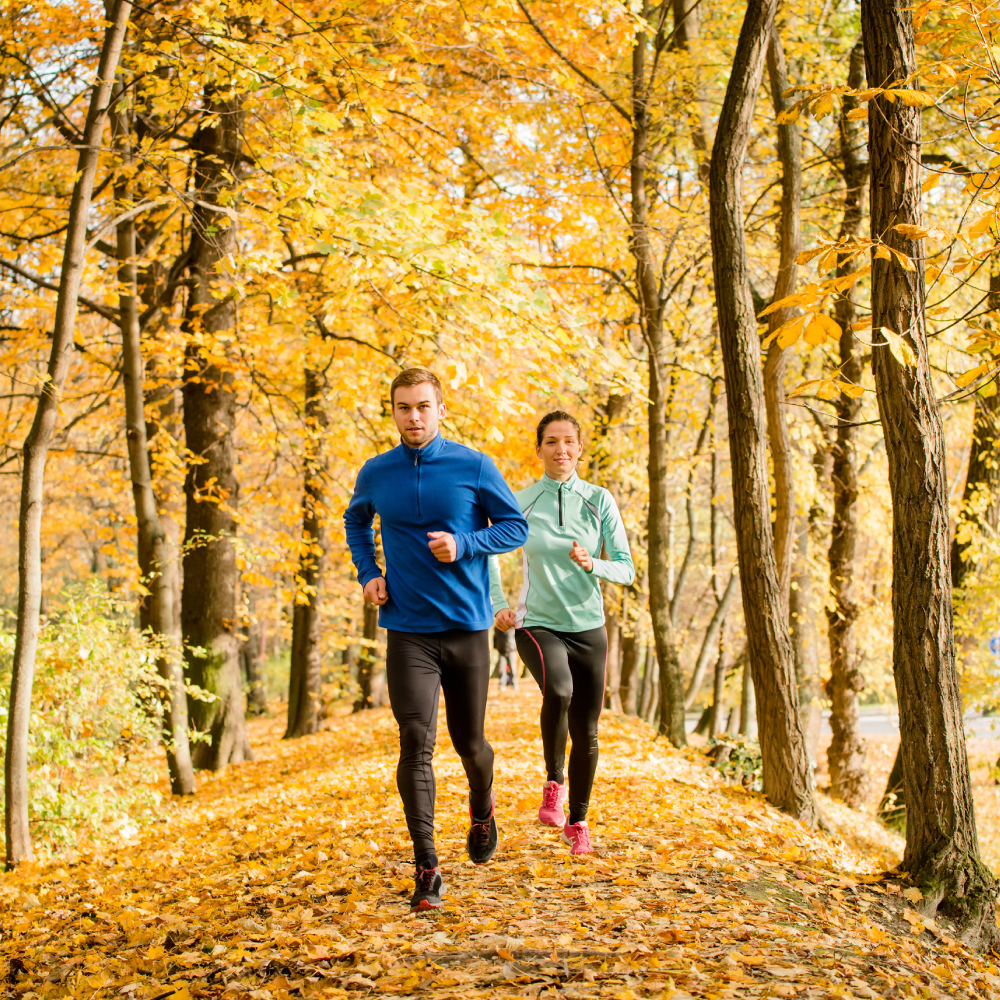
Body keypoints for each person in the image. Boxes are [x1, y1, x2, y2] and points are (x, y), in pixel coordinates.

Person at [344, 368, 528, 913]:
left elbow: (514, 527)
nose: (414, 417)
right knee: (414, 743)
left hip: (467, 628)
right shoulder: (377, 472)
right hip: (407, 630)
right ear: (394, 411)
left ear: (440, 409)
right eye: (403, 408)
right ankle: (427, 867)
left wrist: (466, 543)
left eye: (423, 406)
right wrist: (367, 571)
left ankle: (482, 805)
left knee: (470, 744)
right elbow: (356, 524)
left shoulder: (473, 465)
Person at [491, 411, 634, 855]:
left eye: (568, 441)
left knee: (587, 730)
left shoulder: (598, 499)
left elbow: (627, 569)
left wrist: (595, 564)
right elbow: (489, 553)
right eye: (551, 441)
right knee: (559, 689)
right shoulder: (521, 501)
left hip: (588, 625)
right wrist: (498, 603)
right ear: (539, 450)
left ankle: (578, 822)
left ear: (580, 448)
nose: (561, 449)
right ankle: (554, 779)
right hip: (537, 622)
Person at [493, 624, 518, 691]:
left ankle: (514, 684)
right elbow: (495, 637)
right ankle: (502, 685)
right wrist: (495, 646)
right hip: (501, 650)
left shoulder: (512, 628)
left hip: (511, 650)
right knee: (501, 668)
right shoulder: (497, 628)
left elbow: (516, 637)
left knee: (513, 668)